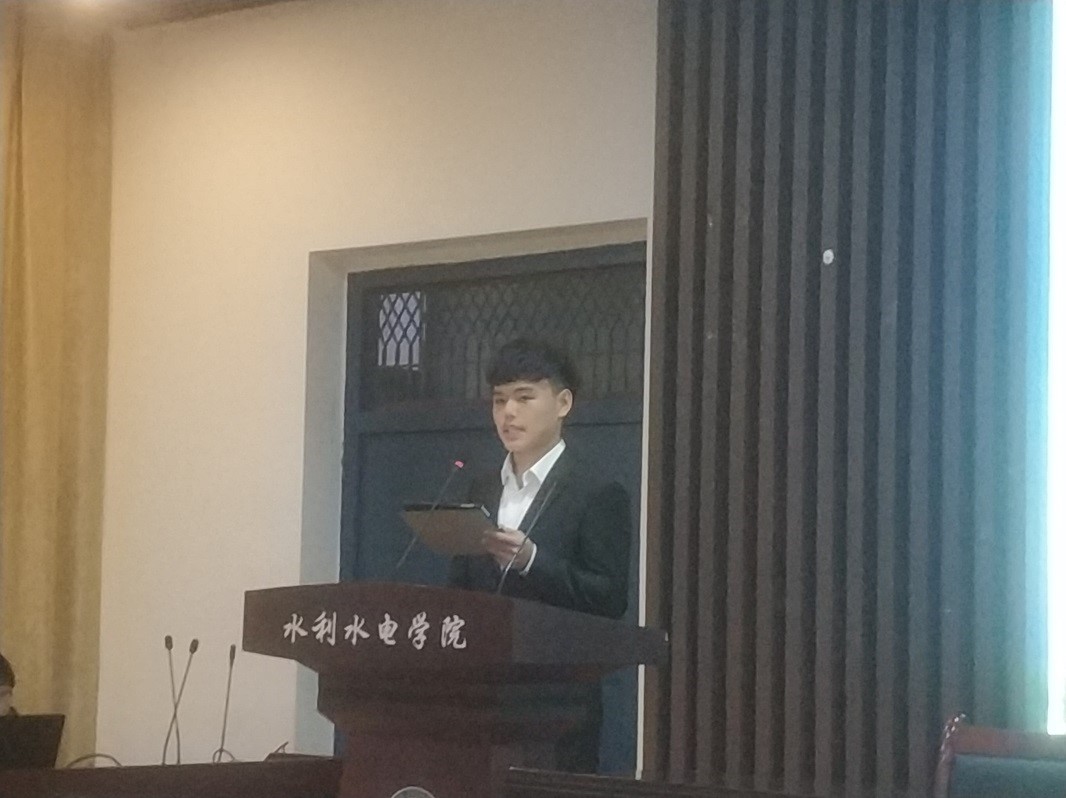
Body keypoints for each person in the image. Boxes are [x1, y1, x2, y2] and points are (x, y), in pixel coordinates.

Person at [448, 338, 631, 773]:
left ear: (563, 403)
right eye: (499, 400)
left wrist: (533, 562)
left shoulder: (596, 490)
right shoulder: (482, 488)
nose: (508, 413)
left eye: (524, 398)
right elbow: (460, 590)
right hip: (480, 701)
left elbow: (608, 598)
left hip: (556, 706)